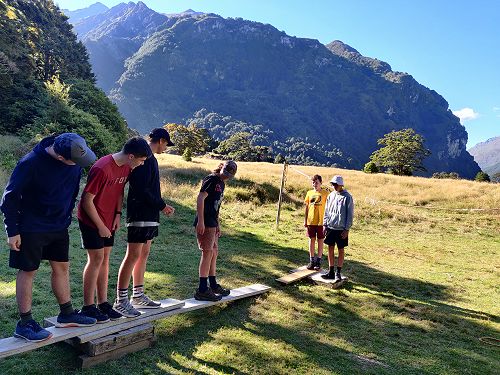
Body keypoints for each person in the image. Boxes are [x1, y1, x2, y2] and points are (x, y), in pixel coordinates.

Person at [0, 133, 98, 342]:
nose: (79, 165)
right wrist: (12, 230)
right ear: (61, 158)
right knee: (28, 271)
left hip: (59, 226)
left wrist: (66, 215)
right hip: (31, 227)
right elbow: (9, 198)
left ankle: (67, 313)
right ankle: (25, 323)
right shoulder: (30, 163)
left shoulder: (75, 158)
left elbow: (72, 191)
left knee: (62, 268)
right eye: (75, 162)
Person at [78, 137, 151, 322]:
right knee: (96, 259)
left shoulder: (127, 167)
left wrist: (117, 214)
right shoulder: (102, 168)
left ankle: (103, 304)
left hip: (109, 219)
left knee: (105, 260)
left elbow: (119, 191)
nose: (142, 164)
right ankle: (88, 307)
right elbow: (86, 201)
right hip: (91, 219)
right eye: (141, 160)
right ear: (131, 156)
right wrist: (100, 226)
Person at [114, 129, 175, 317]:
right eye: (166, 144)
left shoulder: (150, 158)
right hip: (139, 213)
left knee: (144, 253)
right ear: (161, 140)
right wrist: (161, 205)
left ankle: (137, 295)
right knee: (132, 254)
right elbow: (140, 189)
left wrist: (158, 205)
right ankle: (120, 300)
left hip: (149, 214)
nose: (165, 148)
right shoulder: (144, 157)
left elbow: (151, 188)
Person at [194, 160, 237, 301]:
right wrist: (201, 221)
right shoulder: (211, 179)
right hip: (205, 222)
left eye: (229, 175)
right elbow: (200, 198)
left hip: (212, 222)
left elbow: (216, 205)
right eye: (225, 172)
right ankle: (202, 289)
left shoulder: (222, 183)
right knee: (207, 253)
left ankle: (213, 285)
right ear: (221, 168)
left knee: (214, 252)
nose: (226, 176)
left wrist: (218, 223)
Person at [322, 175, 354, 281]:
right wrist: (324, 225)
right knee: (330, 248)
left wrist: (347, 229)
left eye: (336, 184)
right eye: (333, 184)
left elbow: (350, 214)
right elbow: (326, 211)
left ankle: (338, 273)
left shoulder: (347, 197)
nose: (334, 186)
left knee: (341, 250)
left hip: (341, 229)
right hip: (330, 227)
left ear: (341, 185)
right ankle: (330, 271)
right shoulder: (331, 195)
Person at [303, 174, 330, 270]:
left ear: (321, 183)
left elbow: (329, 208)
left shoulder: (325, 193)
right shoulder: (309, 193)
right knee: (311, 240)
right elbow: (307, 207)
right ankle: (312, 260)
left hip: (321, 222)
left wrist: (328, 221)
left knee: (320, 240)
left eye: (316, 182)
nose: (315, 184)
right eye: (313, 182)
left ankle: (318, 260)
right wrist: (305, 220)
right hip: (311, 220)